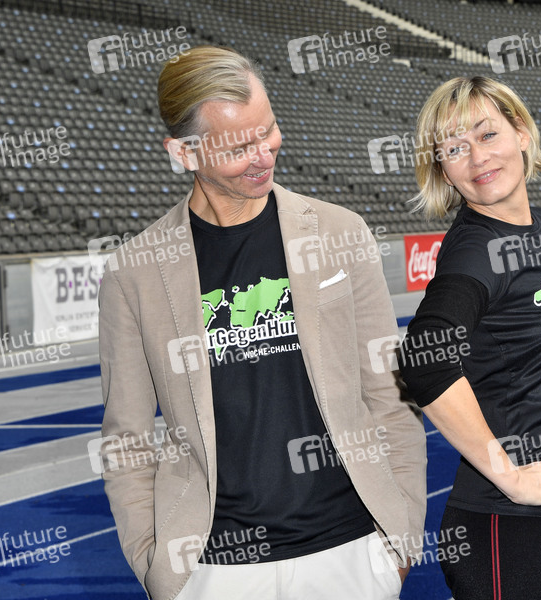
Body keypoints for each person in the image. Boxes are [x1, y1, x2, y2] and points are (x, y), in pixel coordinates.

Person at [96, 45, 426, 600]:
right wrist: (158, 568)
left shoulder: (340, 232)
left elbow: (389, 395)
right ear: (183, 152)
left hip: (351, 551)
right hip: (213, 571)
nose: (262, 155)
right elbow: (126, 438)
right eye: (237, 147)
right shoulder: (134, 273)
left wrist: (401, 538)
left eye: (267, 130)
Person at [399, 76, 541, 600]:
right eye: (454, 148)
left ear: (522, 133)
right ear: (443, 169)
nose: (477, 157)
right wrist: (511, 475)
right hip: (513, 529)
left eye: (488, 135)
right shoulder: (477, 249)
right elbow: (424, 358)